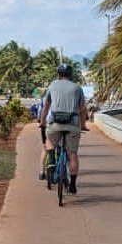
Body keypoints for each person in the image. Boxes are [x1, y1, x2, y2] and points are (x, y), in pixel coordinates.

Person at [38, 63, 89, 194]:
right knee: (72, 155)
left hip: (55, 123)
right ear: (71, 75)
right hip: (72, 124)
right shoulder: (77, 88)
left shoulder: (52, 85)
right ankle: (72, 184)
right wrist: (83, 125)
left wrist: (42, 122)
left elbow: (46, 106)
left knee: (49, 142)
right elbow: (83, 109)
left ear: (58, 74)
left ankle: (51, 159)